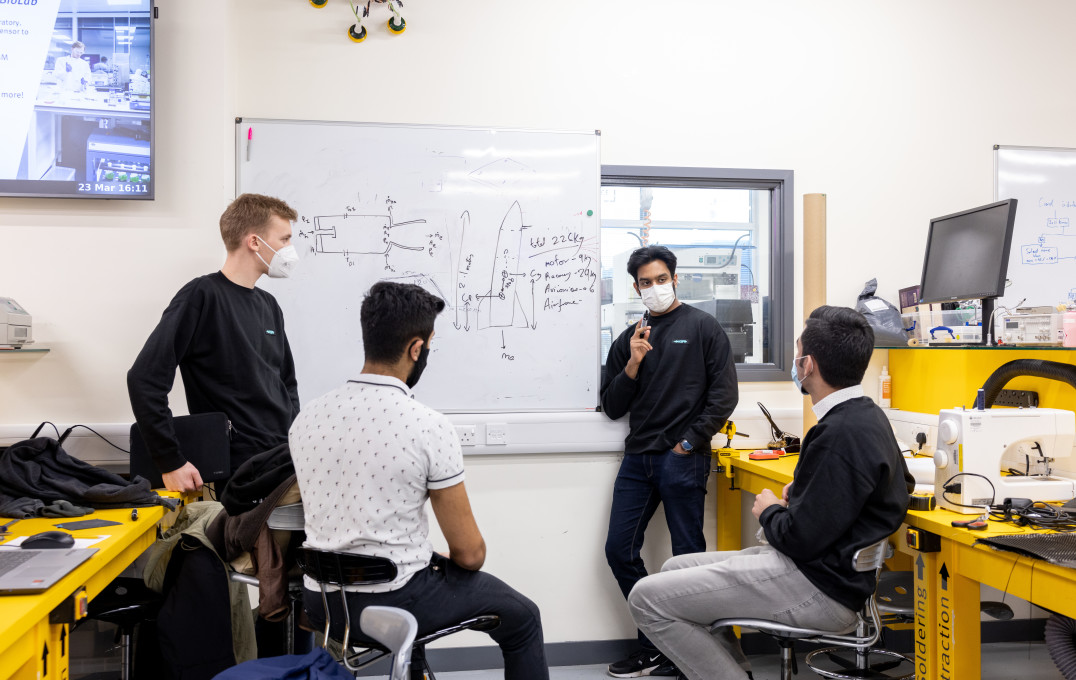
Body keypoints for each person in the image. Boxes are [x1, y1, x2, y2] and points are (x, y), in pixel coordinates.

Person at [627, 306, 914, 680]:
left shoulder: (837, 434)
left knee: (645, 599)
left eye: (797, 353)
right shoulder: (868, 415)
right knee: (674, 567)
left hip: (818, 585)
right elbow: (900, 485)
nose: (795, 362)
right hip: (827, 572)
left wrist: (768, 511)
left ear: (808, 364)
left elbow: (798, 539)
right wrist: (814, 492)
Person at [291, 281, 549, 680]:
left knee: (424, 570)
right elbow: (469, 554)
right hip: (396, 601)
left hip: (319, 600)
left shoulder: (307, 418)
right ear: (416, 348)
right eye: (430, 344)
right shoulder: (427, 426)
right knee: (524, 618)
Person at [600, 245, 739, 677]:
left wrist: (687, 443)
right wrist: (634, 364)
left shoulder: (703, 327)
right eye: (645, 282)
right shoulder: (631, 338)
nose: (654, 288)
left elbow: (724, 396)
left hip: (683, 459)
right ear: (636, 287)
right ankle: (656, 644)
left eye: (661, 279)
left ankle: (692, 657)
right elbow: (612, 406)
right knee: (619, 550)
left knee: (686, 559)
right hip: (638, 459)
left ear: (674, 279)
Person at [128, 193, 301, 493]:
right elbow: (144, 379)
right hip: (242, 472)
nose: (289, 249)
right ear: (255, 242)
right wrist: (170, 462)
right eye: (284, 239)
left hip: (283, 461)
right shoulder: (202, 296)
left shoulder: (269, 305)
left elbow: (287, 384)